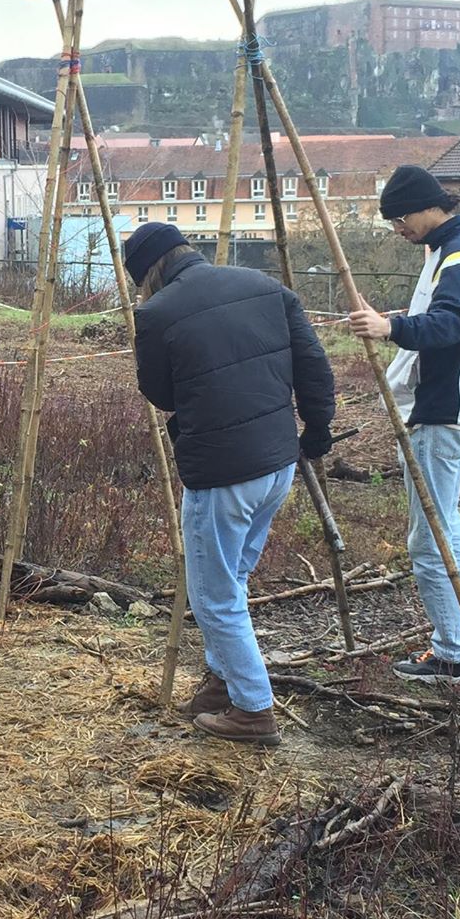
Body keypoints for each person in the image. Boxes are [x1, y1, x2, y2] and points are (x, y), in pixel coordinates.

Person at [128, 221, 335, 745]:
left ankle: (253, 708)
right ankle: (221, 682)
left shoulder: (155, 313)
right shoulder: (266, 287)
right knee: (233, 579)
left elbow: (160, 394)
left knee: (213, 596)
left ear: (149, 272)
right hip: (277, 464)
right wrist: (317, 428)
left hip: (222, 473)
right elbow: (313, 363)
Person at [348, 164, 460, 691]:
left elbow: (452, 323)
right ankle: (458, 646)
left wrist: (390, 329)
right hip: (440, 408)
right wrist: (398, 316)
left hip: (442, 410)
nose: (397, 229)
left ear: (426, 208)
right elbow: (440, 313)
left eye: (400, 218)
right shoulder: (448, 249)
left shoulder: (457, 254)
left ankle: (456, 658)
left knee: (430, 539)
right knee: (445, 528)